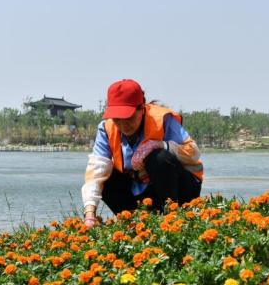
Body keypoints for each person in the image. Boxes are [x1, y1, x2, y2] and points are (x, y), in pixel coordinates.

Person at [81, 79, 203, 227]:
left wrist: (161, 145)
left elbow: (194, 153)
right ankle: (132, 223)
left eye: (129, 117)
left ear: (142, 108)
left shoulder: (162, 120)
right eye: (117, 119)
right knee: (106, 177)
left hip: (180, 190)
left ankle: (171, 220)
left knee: (159, 158)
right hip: (139, 193)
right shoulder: (106, 129)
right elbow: (95, 173)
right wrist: (89, 214)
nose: (123, 124)